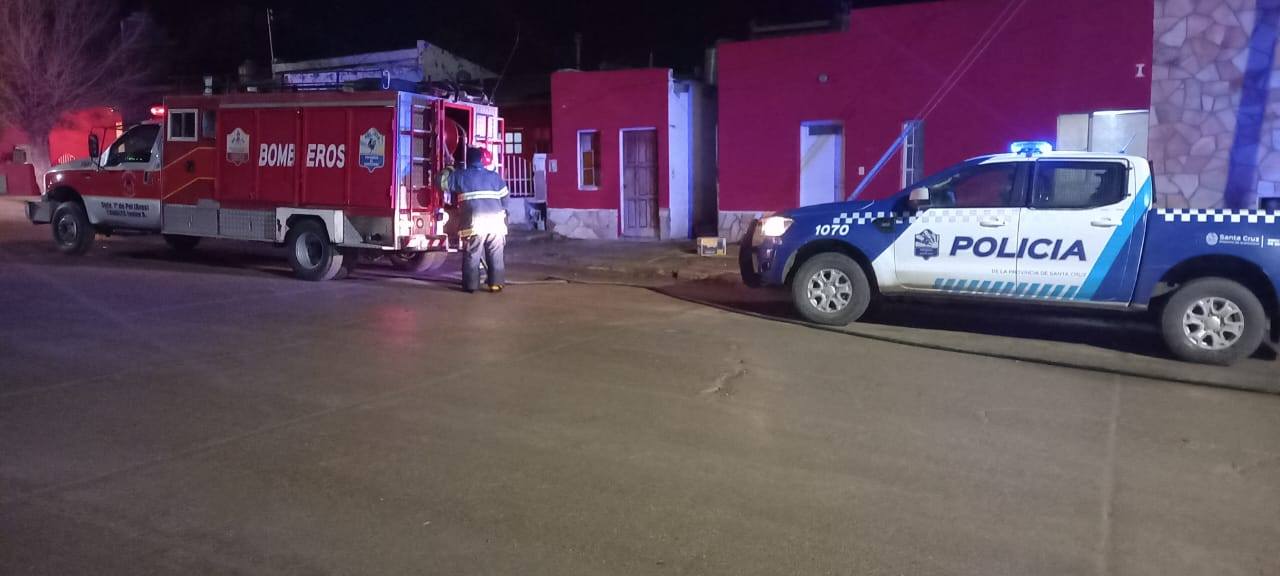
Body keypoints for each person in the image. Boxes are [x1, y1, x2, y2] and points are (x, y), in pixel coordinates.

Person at [448, 147, 509, 293]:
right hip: (496, 224)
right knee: (496, 253)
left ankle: (471, 286)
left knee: (473, 254)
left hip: (475, 224)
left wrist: (449, 167)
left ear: (467, 161)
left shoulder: (461, 176)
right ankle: (496, 284)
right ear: (481, 160)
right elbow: (505, 200)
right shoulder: (494, 176)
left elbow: (442, 182)